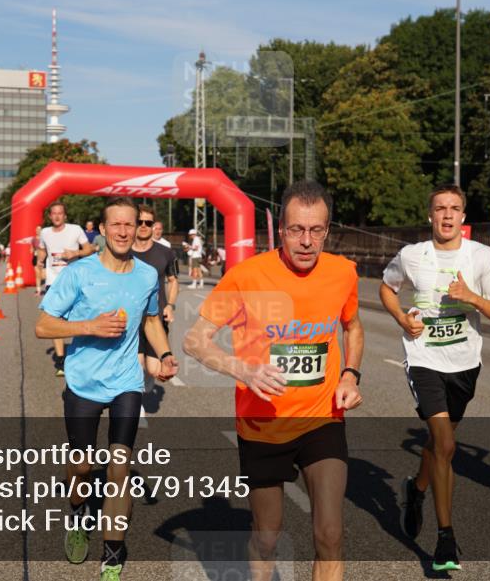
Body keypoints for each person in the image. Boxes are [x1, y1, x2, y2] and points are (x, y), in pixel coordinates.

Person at [183, 181, 363, 581]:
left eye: (317, 230)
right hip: (263, 421)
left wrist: (350, 374)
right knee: (267, 536)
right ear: (279, 230)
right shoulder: (246, 275)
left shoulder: (342, 273)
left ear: (327, 231)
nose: (306, 241)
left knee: (330, 533)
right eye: (297, 229)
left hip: (323, 417)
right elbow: (194, 340)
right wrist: (242, 369)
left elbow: (352, 327)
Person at [35, 197, 178, 581]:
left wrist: (164, 354)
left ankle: (112, 557)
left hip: (126, 383)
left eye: (129, 225)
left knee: (119, 467)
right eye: (114, 224)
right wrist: (88, 327)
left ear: (138, 229)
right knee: (81, 466)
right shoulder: (79, 273)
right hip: (83, 382)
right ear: (101, 229)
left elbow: (150, 320)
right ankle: (79, 512)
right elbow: (44, 325)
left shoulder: (147, 275)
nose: (122, 231)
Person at [379, 184, 490, 571]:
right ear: (430, 215)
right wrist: (402, 318)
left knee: (440, 446)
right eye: (440, 208)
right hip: (424, 360)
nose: (448, 215)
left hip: (465, 363)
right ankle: (446, 540)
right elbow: (387, 288)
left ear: (464, 217)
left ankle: (416, 490)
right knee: (446, 445)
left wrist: (472, 298)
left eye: (455, 208)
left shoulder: (481, 256)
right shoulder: (411, 255)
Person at [38, 201, 93, 376]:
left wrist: (74, 253)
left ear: (65, 216)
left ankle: (84, 357)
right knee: (55, 320)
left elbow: (89, 249)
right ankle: (61, 361)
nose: (56, 216)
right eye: (53, 213)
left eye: (60, 213)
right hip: (53, 281)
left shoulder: (75, 229)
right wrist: (40, 260)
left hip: (75, 280)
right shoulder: (45, 233)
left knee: (81, 318)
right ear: (50, 216)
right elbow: (41, 249)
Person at [131, 205, 179, 394]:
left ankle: (144, 387)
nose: (143, 226)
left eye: (148, 223)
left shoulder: (166, 253)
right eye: (139, 222)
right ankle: (136, 407)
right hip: (131, 317)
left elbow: (173, 281)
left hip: (156, 317)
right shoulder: (123, 252)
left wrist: (170, 305)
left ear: (153, 226)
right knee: (136, 364)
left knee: (152, 369)